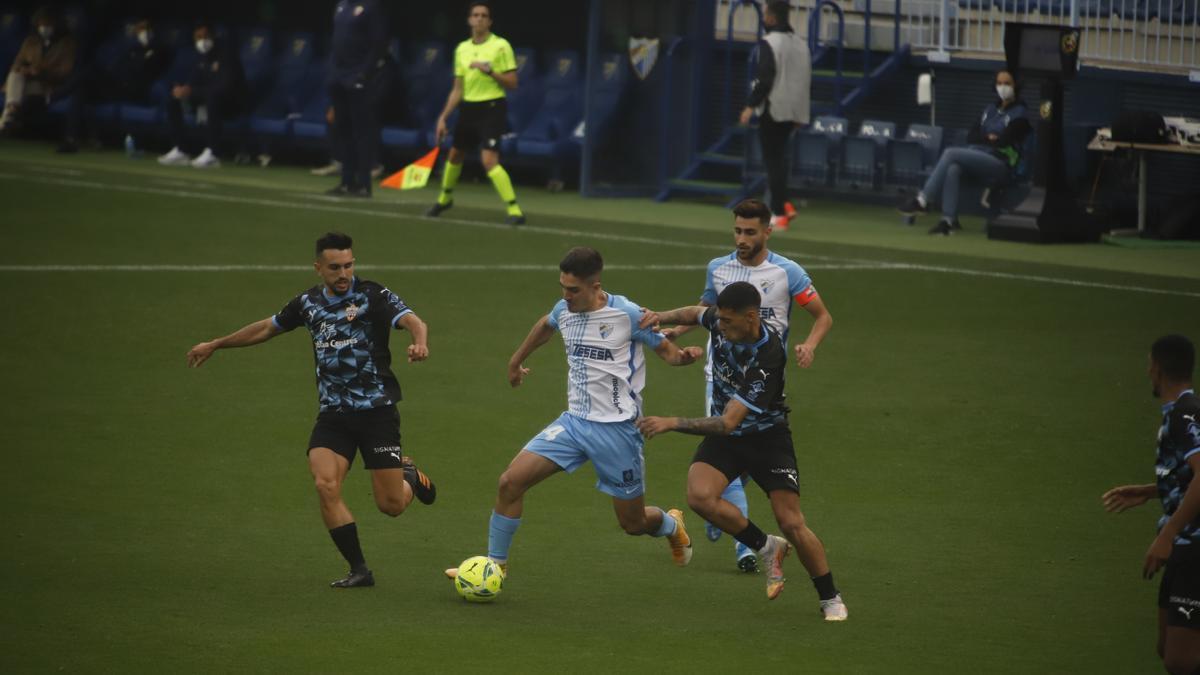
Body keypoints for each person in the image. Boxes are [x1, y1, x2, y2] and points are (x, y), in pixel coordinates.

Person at [186, 232, 438, 588]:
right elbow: (266, 328)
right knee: (325, 484)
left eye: (348, 265)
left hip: (376, 413)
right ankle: (359, 570)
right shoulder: (307, 303)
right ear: (318, 268)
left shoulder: (371, 294)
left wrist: (419, 343)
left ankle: (408, 475)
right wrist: (216, 344)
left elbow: (414, 321)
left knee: (391, 505)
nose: (343, 273)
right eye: (335, 267)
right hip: (334, 416)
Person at [444, 246, 702, 582]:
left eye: (573, 290)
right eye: (562, 287)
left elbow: (669, 355)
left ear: (595, 287)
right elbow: (546, 325)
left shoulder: (627, 314)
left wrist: (687, 357)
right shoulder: (564, 309)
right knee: (510, 482)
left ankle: (670, 524)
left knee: (633, 523)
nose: (565, 297)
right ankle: (495, 567)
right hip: (574, 423)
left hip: (618, 431)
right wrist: (515, 360)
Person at [637, 282, 847, 621]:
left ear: (751, 318)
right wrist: (660, 316)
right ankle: (767, 547)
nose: (720, 327)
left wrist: (672, 422)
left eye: (727, 322)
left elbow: (729, 422)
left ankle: (829, 596)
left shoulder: (768, 355)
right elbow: (695, 313)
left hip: (766, 439)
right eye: (719, 320)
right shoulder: (723, 322)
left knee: (791, 521)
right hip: (729, 441)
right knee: (699, 496)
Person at [661, 198, 832, 573]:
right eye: (737, 230)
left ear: (768, 232)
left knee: (735, 450)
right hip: (720, 376)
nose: (741, 238)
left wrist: (810, 345)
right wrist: (675, 328)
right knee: (729, 446)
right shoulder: (718, 269)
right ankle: (748, 549)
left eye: (750, 232)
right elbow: (704, 309)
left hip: (766, 377)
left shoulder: (787, 273)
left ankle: (744, 534)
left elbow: (822, 316)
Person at [1102, 335, 1200, 675]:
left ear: (1156, 368)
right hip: (1183, 546)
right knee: (1167, 650)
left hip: (1193, 546)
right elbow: (1190, 475)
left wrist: (1168, 534)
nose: (1148, 371)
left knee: (1181, 660)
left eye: (1148, 365)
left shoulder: (1185, 414)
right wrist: (1151, 491)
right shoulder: (1180, 413)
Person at [898, 69, 1033, 236]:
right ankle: (948, 221)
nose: (1002, 87)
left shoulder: (1021, 114)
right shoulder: (989, 110)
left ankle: (923, 200)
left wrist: (987, 138)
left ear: (1016, 86)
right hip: (979, 158)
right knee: (953, 168)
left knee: (950, 153)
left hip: (1001, 164)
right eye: (999, 83)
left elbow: (1004, 141)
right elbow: (972, 136)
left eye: (1007, 83)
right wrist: (988, 137)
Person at [426, 2, 525, 225]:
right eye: (475, 15)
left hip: (492, 107)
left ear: (489, 21)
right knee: (454, 155)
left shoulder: (501, 46)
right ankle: (445, 199)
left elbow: (513, 82)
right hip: (468, 109)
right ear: (469, 20)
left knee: (489, 160)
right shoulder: (462, 49)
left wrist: (490, 71)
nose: (479, 19)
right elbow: (457, 88)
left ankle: (515, 210)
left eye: (484, 16)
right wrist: (443, 117)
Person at [739, 1, 810, 231]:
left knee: (773, 161)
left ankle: (779, 213)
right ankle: (785, 203)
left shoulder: (769, 43)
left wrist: (751, 105)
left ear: (771, 17)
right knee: (779, 159)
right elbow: (805, 79)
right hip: (793, 109)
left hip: (773, 107)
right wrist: (801, 111)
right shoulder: (801, 44)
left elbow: (765, 78)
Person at [58, 18, 169, 153]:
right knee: (80, 93)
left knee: (89, 72)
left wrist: (146, 50)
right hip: (115, 87)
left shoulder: (160, 50)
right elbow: (116, 69)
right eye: (140, 29)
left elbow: (146, 72)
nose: (143, 32)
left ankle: (56, 95)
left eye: (146, 29)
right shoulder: (131, 48)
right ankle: (70, 140)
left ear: (152, 31)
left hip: (134, 90)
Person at [157, 22, 246, 169]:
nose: (202, 41)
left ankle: (213, 153)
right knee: (173, 99)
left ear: (213, 36)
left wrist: (193, 92)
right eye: (198, 37)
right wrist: (184, 89)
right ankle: (181, 150)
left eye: (205, 36)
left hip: (232, 103)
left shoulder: (226, 55)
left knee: (213, 99)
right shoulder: (202, 57)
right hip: (208, 98)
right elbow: (194, 81)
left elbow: (225, 87)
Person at [324, 0, 388, 198]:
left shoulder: (371, 7)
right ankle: (346, 182)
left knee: (362, 132)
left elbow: (379, 44)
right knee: (343, 130)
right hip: (339, 76)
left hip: (358, 77)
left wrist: (364, 74)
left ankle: (364, 184)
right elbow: (336, 41)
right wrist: (333, 71)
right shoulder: (342, 6)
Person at [0, 7, 77, 135]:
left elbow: (65, 72)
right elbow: (16, 65)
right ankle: (11, 112)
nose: (44, 27)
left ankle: (8, 118)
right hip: (25, 83)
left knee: (19, 89)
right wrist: (26, 70)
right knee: (15, 76)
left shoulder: (67, 44)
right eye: (42, 23)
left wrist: (41, 72)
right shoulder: (31, 42)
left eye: (48, 24)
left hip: (46, 86)